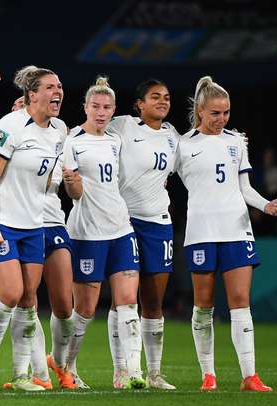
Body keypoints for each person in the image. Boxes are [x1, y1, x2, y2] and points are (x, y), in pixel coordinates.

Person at [0, 67, 83, 390]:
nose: (58, 91)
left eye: (60, 85)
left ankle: (24, 375)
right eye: (51, 87)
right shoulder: (10, 126)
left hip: (32, 223)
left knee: (27, 300)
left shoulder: (59, 130)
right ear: (32, 95)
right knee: (10, 293)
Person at [177, 76, 277, 392]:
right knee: (204, 305)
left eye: (225, 113)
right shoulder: (183, 145)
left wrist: (266, 205)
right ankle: (208, 375)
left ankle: (250, 376)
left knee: (240, 302)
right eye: (215, 113)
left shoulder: (236, 142)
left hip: (236, 229)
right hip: (201, 232)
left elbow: (245, 188)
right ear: (200, 110)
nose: (221, 119)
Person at [62, 76, 146, 389]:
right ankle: (67, 367)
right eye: (95, 106)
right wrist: (72, 183)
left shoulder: (116, 141)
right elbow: (75, 194)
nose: (101, 111)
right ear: (85, 107)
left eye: (106, 106)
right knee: (84, 310)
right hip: (86, 233)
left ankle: (130, 372)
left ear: (113, 109)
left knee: (127, 303)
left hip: (121, 229)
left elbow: (122, 181)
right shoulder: (73, 140)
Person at [103, 79, 180, 389]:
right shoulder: (122, 126)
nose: (162, 101)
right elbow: (88, 128)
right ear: (139, 104)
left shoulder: (173, 136)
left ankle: (154, 373)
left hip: (159, 224)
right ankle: (121, 370)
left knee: (154, 302)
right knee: (123, 300)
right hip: (124, 221)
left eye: (166, 97)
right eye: (154, 96)